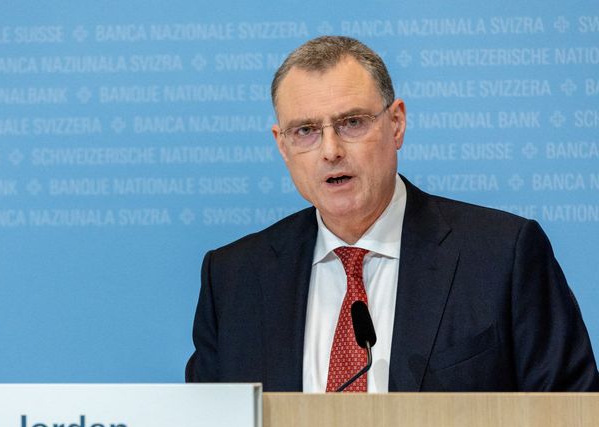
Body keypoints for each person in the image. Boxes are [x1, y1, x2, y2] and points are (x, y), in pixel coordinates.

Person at [185, 36, 599, 392]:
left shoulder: (501, 256)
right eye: (306, 131)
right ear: (282, 145)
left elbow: (572, 422)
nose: (330, 150)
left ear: (396, 124)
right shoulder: (233, 278)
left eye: (351, 123)